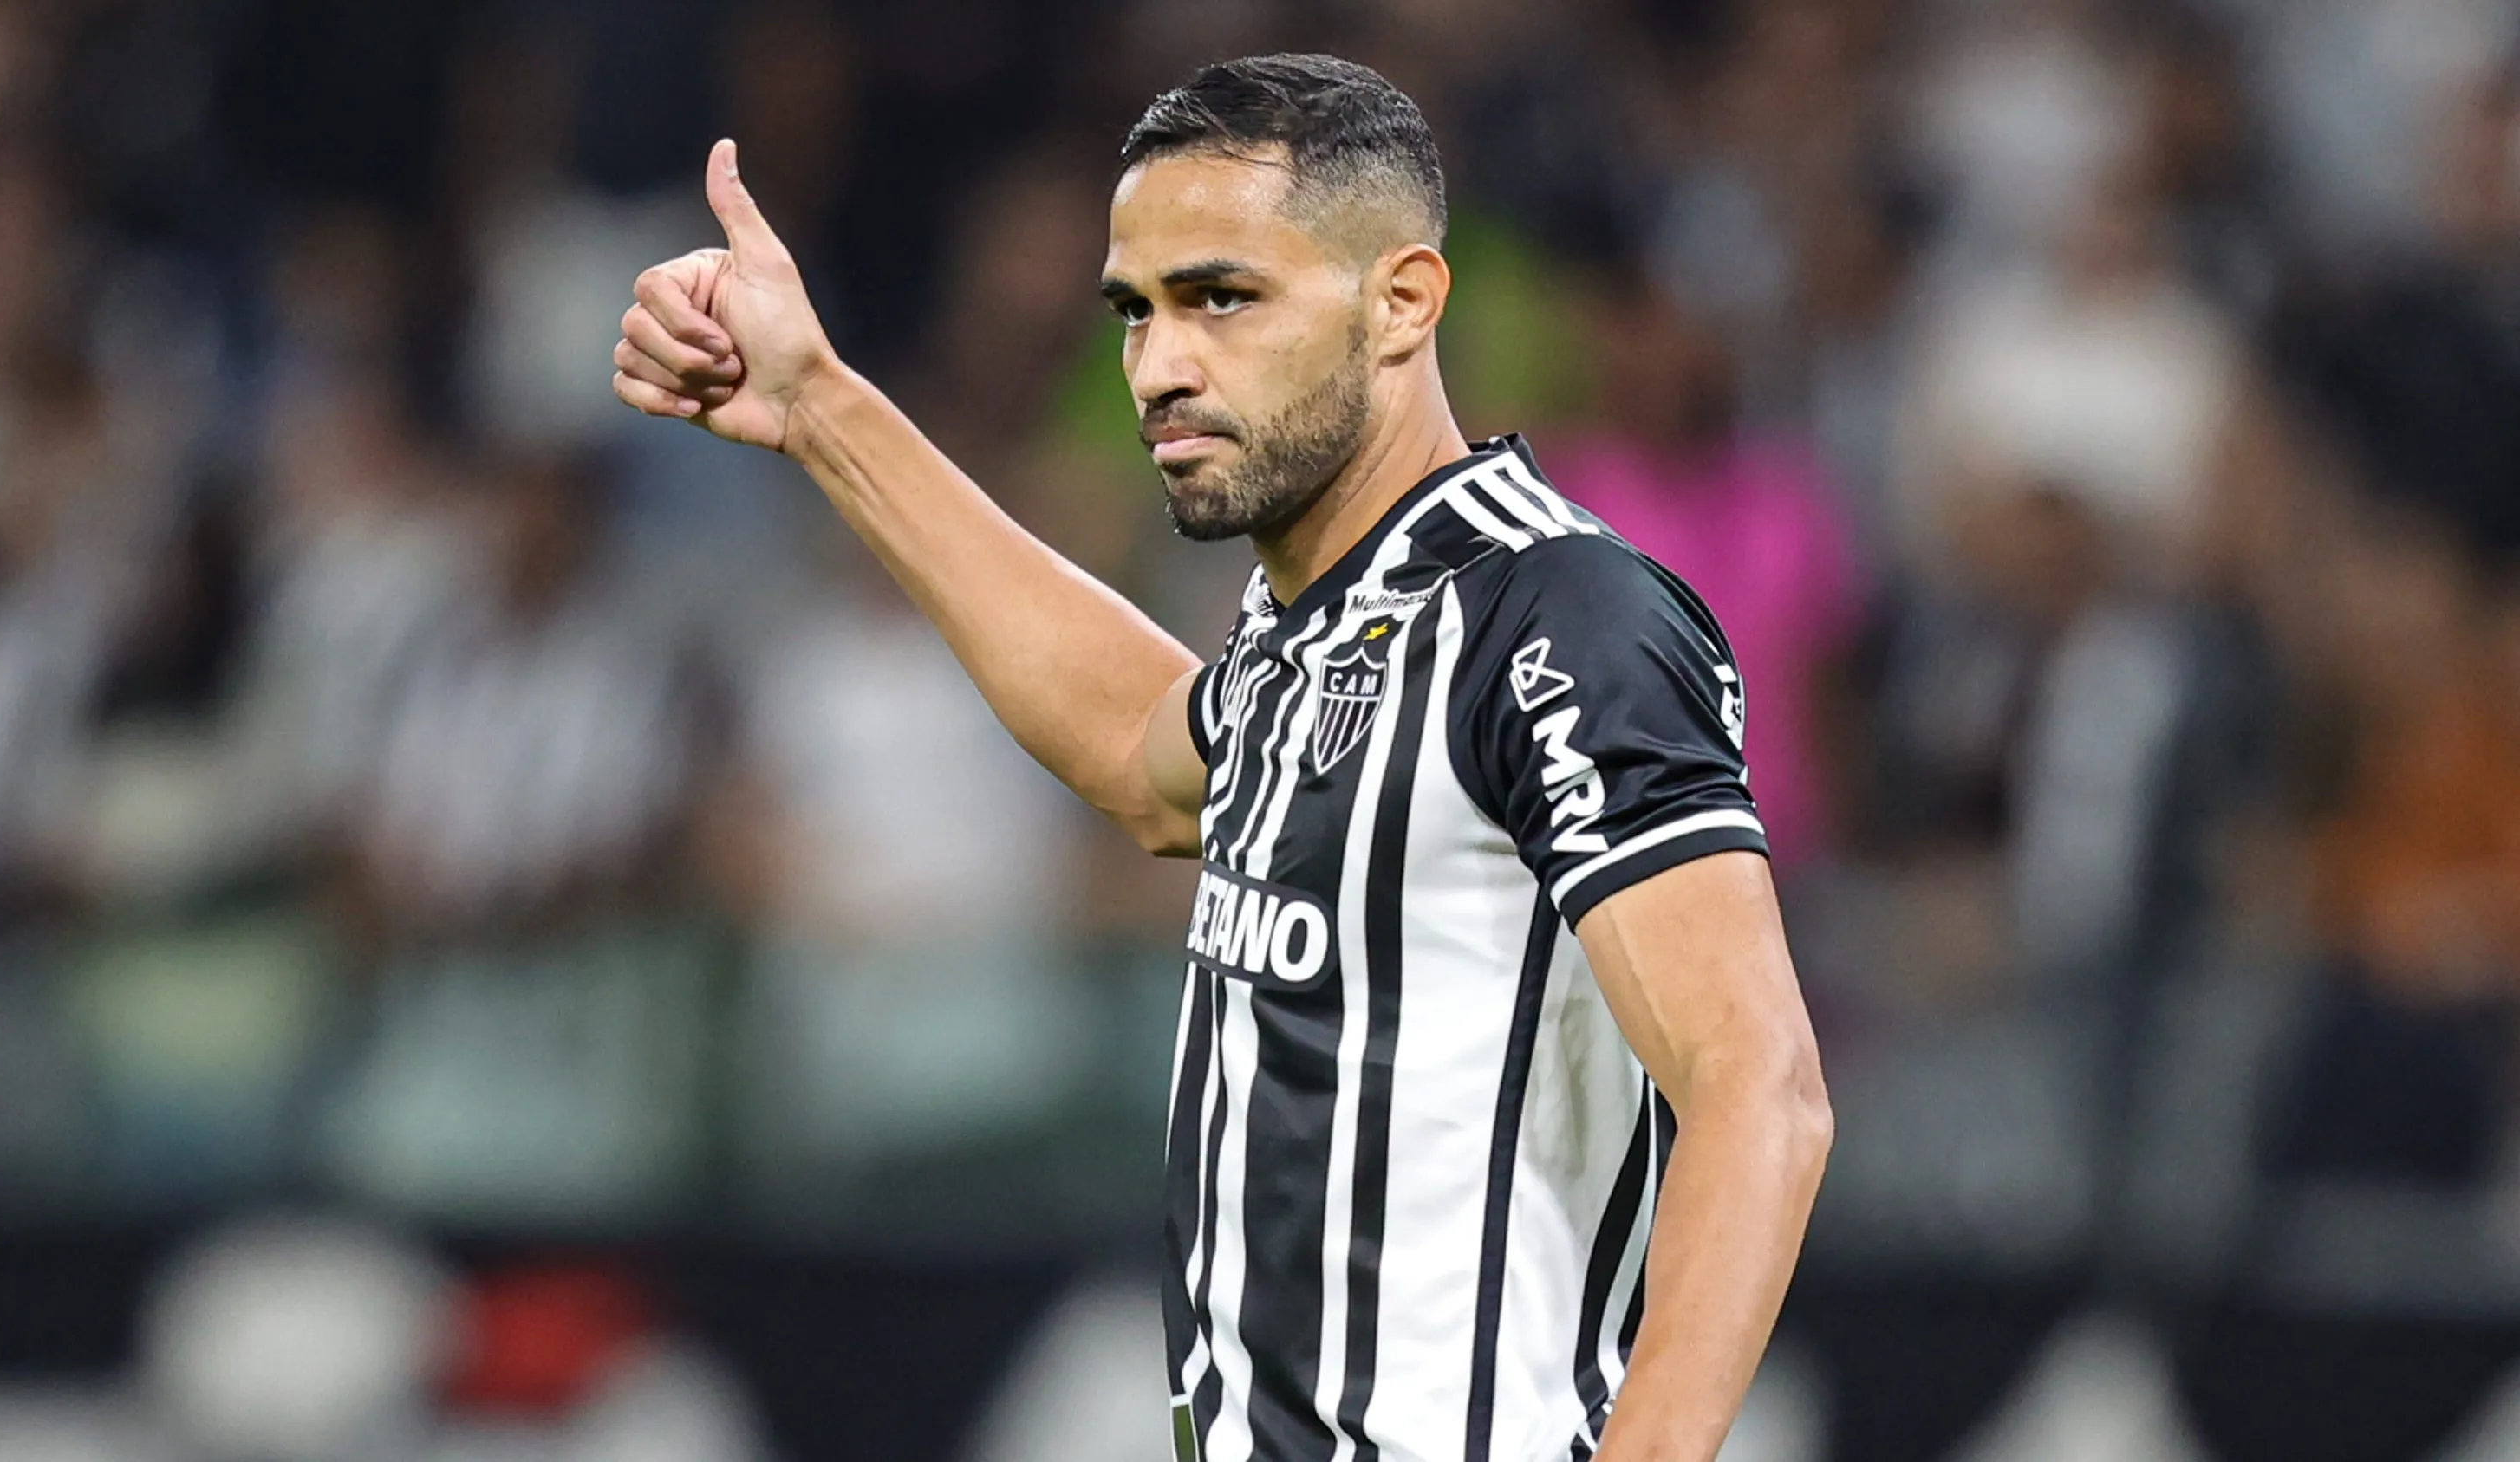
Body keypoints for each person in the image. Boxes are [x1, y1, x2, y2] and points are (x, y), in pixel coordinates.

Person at [610, 54, 1831, 1462]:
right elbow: (1138, 748)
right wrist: (821, 408)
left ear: (1403, 302)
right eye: (1137, 309)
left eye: (1222, 298)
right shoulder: (1314, 628)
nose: (1158, 366)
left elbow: (1760, 1085)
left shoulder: (1559, 615)